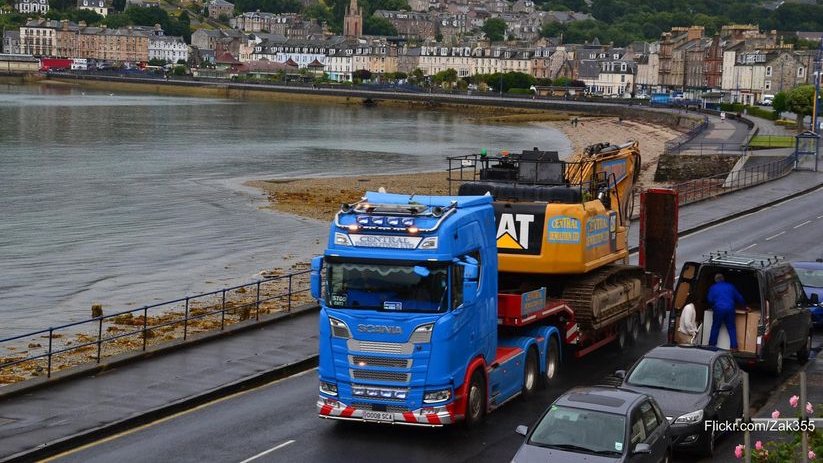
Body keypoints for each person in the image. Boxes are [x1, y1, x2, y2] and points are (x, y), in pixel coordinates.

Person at [707, 273, 745, 350]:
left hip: (718, 309)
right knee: (731, 328)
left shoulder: (713, 287)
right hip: (730, 309)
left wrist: (713, 305)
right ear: (723, 279)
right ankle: (734, 347)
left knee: (715, 327)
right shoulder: (730, 286)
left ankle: (712, 346)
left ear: (715, 280)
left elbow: (709, 300)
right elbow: (739, 297)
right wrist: (745, 306)